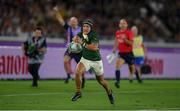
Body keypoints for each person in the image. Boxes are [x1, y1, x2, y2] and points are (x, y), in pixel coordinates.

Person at [71, 19, 115, 104]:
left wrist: (82, 43)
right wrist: (74, 41)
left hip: (96, 61)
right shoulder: (80, 34)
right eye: (84, 26)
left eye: (87, 26)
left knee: (101, 81)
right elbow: (75, 38)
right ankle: (78, 92)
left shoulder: (94, 35)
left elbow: (94, 47)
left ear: (91, 28)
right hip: (85, 59)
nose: (85, 28)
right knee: (77, 72)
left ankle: (109, 93)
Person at [53, 7, 85, 87]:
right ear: (70, 22)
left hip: (79, 50)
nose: (72, 23)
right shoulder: (68, 28)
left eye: (74, 21)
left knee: (80, 68)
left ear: (77, 22)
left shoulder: (81, 30)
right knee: (65, 60)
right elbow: (60, 21)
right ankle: (68, 75)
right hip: (70, 49)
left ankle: (83, 79)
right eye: (71, 21)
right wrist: (57, 12)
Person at [112, 19, 141, 88]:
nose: (123, 25)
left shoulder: (129, 32)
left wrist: (125, 40)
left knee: (132, 68)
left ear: (126, 25)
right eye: (121, 23)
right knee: (117, 66)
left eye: (124, 23)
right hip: (121, 53)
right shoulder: (117, 32)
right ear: (119, 25)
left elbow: (131, 43)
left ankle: (138, 77)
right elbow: (116, 41)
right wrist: (115, 48)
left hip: (129, 54)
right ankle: (117, 82)